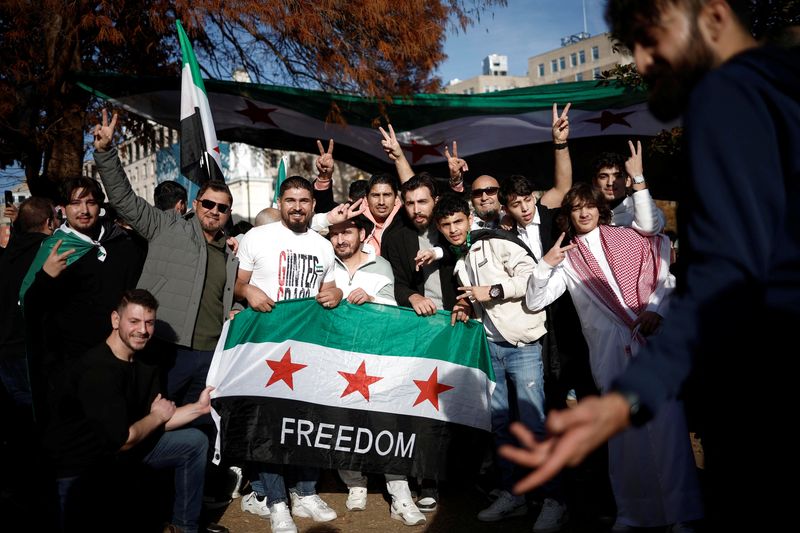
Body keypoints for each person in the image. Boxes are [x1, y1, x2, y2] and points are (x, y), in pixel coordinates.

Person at [499, 3, 799, 528]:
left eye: (650, 37)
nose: (640, 61)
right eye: (630, 45)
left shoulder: (734, 98)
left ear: (712, 15)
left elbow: (724, 274)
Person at [526, 184, 702, 531]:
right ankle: (633, 514)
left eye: (590, 205)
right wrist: (545, 264)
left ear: (599, 208)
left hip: (651, 345)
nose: (584, 212)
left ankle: (680, 514)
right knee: (624, 440)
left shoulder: (627, 238)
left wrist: (654, 310)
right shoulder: (568, 259)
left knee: (668, 431)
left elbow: (661, 274)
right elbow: (535, 301)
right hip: (609, 358)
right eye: (576, 208)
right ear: (568, 215)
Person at [434, 194, 567, 532]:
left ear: (468, 218)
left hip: (523, 346)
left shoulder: (497, 242)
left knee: (533, 425)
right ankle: (514, 495)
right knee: (501, 426)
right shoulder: (461, 261)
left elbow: (533, 277)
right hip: (491, 349)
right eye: (446, 225)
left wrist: (491, 292)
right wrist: (468, 306)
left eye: (457, 222)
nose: (452, 230)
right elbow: (479, 300)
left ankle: (555, 500)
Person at [92, 110, 238, 410]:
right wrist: (106, 153)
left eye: (222, 208)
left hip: (211, 356)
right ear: (195, 204)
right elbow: (124, 200)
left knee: (198, 428)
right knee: (152, 421)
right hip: (165, 349)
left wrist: (235, 309)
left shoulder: (231, 252)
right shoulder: (166, 226)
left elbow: (229, 294)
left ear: (227, 214)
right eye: (208, 203)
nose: (214, 211)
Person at [44, 289, 214, 533]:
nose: (142, 330)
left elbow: (155, 420)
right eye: (134, 321)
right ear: (115, 320)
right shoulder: (98, 370)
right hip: (80, 469)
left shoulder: (145, 361)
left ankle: (184, 527)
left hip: (122, 453)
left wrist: (198, 408)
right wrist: (156, 416)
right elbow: (124, 438)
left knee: (194, 441)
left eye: (149, 322)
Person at [234, 176, 341, 533]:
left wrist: (336, 293)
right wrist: (248, 292)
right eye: (291, 200)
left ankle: (306, 493)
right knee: (268, 426)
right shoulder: (256, 237)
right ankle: (277, 502)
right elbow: (235, 282)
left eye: (305, 201)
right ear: (279, 201)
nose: (297, 207)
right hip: (265, 347)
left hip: (307, 348)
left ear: (313, 205)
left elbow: (327, 288)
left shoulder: (323, 245)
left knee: (307, 423)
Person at [326, 214, 426, 526]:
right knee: (341, 423)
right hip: (334, 360)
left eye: (347, 232)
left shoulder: (381, 265)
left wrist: (372, 301)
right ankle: (355, 483)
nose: (341, 239)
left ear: (362, 234)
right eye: (334, 234)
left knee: (386, 425)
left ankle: (400, 493)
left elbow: (395, 314)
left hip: (376, 362)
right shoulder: (323, 264)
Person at [22, 177, 146, 424]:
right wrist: (46, 276)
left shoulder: (120, 240)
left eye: (90, 202)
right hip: (75, 361)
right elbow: (28, 304)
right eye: (75, 203)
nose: (83, 210)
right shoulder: (54, 247)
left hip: (120, 355)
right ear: (63, 208)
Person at [591, 141, 665, 233]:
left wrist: (637, 175)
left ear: (628, 181)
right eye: (603, 176)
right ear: (594, 182)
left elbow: (648, 228)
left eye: (618, 176)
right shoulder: (586, 214)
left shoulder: (649, 212)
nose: (610, 183)